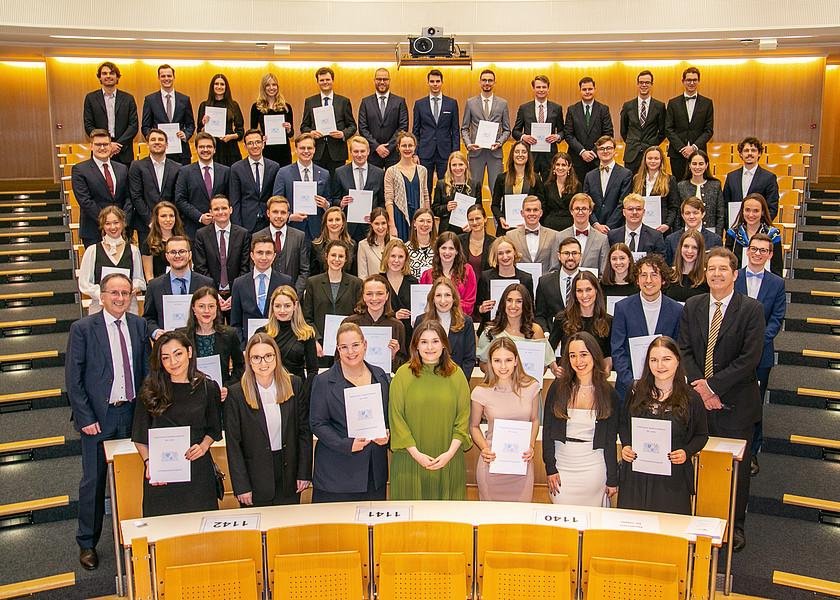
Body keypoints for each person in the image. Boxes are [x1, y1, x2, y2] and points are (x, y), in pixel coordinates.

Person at [679, 247, 765, 551]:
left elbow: (749, 358)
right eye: (711, 269)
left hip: (735, 405)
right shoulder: (693, 305)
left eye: (723, 269)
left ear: (735, 274)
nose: (716, 274)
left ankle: (734, 525)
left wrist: (713, 387)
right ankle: (697, 521)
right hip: (697, 404)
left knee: (734, 470)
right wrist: (701, 391)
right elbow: (685, 350)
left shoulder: (751, 309)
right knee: (698, 463)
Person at [67, 273, 150, 570]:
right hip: (98, 419)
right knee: (94, 480)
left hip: (131, 413)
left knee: (136, 474)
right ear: (101, 296)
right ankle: (87, 542)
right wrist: (85, 417)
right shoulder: (83, 329)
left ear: (131, 297)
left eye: (125, 293)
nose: (119, 298)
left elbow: (145, 373)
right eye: (113, 293)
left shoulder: (139, 325)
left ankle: (138, 533)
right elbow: (73, 380)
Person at [132, 331, 222, 516]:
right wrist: (150, 463)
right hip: (162, 473)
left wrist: (204, 446)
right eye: (166, 358)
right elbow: (140, 435)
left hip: (197, 471)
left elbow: (214, 429)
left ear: (189, 352)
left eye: (178, 354)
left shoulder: (208, 387)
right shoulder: (150, 388)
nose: (173, 362)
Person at [618, 336, 708, 514]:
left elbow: (701, 435)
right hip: (636, 476)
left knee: (669, 535)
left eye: (666, 359)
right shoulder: (635, 391)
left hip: (672, 479)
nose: (660, 366)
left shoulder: (691, 397)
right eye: (654, 360)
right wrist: (626, 445)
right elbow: (623, 424)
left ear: (677, 361)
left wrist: (686, 452)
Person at [224, 333, 312, 506]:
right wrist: (241, 486)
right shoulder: (236, 393)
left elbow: (304, 432)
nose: (263, 363)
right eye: (256, 358)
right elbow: (233, 444)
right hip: (254, 479)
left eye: (268, 356)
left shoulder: (294, 384)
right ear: (248, 360)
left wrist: (304, 472)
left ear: (276, 357)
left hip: (289, 475)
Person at [389, 320, 472, 500]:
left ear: (443, 344)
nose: (430, 347)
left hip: (448, 460)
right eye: (424, 341)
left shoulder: (457, 375)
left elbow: (463, 419)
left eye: (435, 341)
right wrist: (417, 455)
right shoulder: (402, 375)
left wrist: (449, 454)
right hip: (409, 461)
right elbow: (396, 419)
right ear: (416, 346)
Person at [310, 323, 391, 501]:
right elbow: (317, 423)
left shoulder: (380, 376)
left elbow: (387, 417)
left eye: (355, 345)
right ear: (337, 349)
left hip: (372, 475)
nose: (350, 352)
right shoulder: (323, 381)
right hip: (336, 476)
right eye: (344, 347)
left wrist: (386, 433)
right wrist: (345, 444)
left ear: (365, 345)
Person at [543, 331, 618, 506]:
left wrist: (612, 478)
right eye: (572, 356)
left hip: (594, 469)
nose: (579, 361)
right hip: (562, 468)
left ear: (594, 355)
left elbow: (609, 440)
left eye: (583, 354)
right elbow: (547, 432)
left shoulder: (608, 393)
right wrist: (550, 468)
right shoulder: (557, 388)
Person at [734, 233, 786, 476]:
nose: (757, 253)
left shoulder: (777, 283)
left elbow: (776, 319)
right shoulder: (735, 277)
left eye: (763, 250)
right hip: (732, 353)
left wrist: (756, 342)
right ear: (747, 250)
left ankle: (752, 452)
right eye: (754, 249)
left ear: (770, 254)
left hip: (761, 355)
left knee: (754, 404)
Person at [470, 337, 540, 502]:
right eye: (497, 360)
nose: (503, 366)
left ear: (516, 360)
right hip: (492, 463)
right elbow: (473, 426)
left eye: (508, 360)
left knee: (520, 521)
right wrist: (484, 448)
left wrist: (530, 445)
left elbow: (535, 420)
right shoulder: (480, 392)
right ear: (490, 363)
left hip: (522, 464)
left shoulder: (531, 387)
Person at [611, 254, 683, 401]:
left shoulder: (677, 310)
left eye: (654, 275)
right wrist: (631, 382)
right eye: (643, 275)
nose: (648, 280)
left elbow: (679, 349)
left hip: (666, 388)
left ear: (663, 280)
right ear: (637, 280)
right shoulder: (622, 308)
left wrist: (664, 382)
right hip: (629, 388)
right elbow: (618, 349)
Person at [177, 287, 244, 402]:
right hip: (190, 396)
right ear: (193, 309)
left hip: (220, 396)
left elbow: (240, 366)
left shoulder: (229, 334)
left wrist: (228, 387)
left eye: (211, 306)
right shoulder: (182, 336)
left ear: (217, 308)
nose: (206, 311)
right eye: (201, 306)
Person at [302, 240, 363, 360]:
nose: (337, 259)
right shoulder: (313, 283)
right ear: (326, 256)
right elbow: (307, 318)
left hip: (348, 348)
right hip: (320, 347)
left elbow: (359, 315)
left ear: (346, 259)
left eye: (341, 256)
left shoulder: (356, 283)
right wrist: (315, 340)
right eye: (333, 255)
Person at [143, 237, 214, 341]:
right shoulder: (154, 286)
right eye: (173, 252)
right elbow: (148, 318)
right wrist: (156, 332)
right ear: (167, 256)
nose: (177, 255)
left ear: (190, 255)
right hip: (168, 345)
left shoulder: (206, 283)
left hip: (200, 343)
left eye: (182, 251)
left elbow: (215, 316)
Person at [78, 206, 145, 315]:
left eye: (116, 222)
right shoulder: (92, 251)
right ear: (102, 226)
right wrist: (105, 294)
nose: (112, 227)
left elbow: (139, 279)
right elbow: (84, 283)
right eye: (108, 223)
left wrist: (133, 287)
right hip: (100, 308)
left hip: (128, 308)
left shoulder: (133, 250)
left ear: (123, 223)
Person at [477, 283, 554, 376]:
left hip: (527, 386)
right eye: (509, 300)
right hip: (497, 386)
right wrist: (501, 374)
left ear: (525, 304)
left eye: (519, 301)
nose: (513, 305)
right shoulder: (490, 331)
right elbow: (482, 364)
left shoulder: (535, 330)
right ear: (503, 303)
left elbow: (544, 364)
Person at [193, 194, 252, 315]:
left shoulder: (243, 234)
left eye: (224, 208)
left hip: (236, 295)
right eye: (216, 209)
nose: (221, 212)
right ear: (210, 212)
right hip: (210, 295)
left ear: (231, 209)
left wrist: (236, 294)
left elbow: (245, 266)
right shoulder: (201, 235)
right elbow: (200, 267)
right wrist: (213, 294)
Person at [230, 235, 293, 346]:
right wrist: (243, 348)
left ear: (274, 256)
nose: (264, 257)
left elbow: (291, 318)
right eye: (259, 252)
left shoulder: (285, 281)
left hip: (279, 344)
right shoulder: (239, 283)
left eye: (268, 253)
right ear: (252, 255)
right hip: (249, 345)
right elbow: (236, 323)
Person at [71, 129, 130, 248]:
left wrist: (121, 221)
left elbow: (129, 197)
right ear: (91, 146)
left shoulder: (122, 168)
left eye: (106, 144)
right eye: (98, 144)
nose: (102, 148)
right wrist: (107, 222)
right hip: (94, 229)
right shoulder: (80, 170)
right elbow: (85, 201)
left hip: (120, 230)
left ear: (111, 145)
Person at [127, 128, 182, 253]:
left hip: (170, 225)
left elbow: (177, 196)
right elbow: (136, 196)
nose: (157, 142)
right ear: (147, 144)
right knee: (148, 264)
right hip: (146, 224)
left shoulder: (177, 168)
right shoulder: (137, 166)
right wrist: (151, 220)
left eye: (161, 140)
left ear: (167, 144)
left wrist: (167, 219)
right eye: (153, 139)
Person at [271, 133, 332, 242]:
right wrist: (289, 217)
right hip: (293, 227)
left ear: (314, 150)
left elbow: (330, 201)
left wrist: (326, 205)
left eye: (309, 148)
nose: (306, 151)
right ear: (296, 149)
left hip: (317, 230)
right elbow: (276, 202)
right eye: (302, 148)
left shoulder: (324, 174)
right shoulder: (283, 173)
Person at [257, 286, 318, 392]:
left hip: (298, 391)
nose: (282, 310)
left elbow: (312, 370)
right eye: (277, 306)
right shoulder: (262, 333)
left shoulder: (307, 333)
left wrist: (305, 394)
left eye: (287, 306)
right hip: (269, 390)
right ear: (272, 307)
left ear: (295, 306)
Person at [550, 271, 613, 371]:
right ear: (574, 294)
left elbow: (608, 355)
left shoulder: (609, 321)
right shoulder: (562, 318)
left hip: (595, 379)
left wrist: (606, 369)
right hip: (567, 379)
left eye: (588, 290)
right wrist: (553, 367)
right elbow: (549, 348)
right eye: (579, 291)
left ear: (596, 290)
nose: (584, 295)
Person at [416, 277, 477, 379]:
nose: (443, 300)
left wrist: (461, 382)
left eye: (447, 295)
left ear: (454, 298)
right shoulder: (421, 321)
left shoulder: (466, 322)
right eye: (438, 295)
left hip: (456, 380)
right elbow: (416, 354)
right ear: (433, 298)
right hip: (426, 379)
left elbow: (469, 358)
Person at [299, 66, 357, 174]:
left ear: (332, 80)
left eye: (327, 79)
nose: (325, 82)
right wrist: (310, 133)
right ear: (317, 82)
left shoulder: (343, 101)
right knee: (319, 184)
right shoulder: (310, 101)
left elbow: (352, 126)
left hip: (337, 152)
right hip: (316, 151)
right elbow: (304, 126)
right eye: (322, 80)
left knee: (335, 185)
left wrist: (343, 134)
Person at [343, 274, 407, 370]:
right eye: (369, 294)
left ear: (387, 296)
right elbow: (338, 359)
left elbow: (403, 366)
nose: (374, 298)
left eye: (379, 293)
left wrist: (393, 355)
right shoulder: (350, 323)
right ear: (363, 296)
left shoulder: (397, 326)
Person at [461, 69, 511, 190]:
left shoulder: (503, 103)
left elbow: (507, 130)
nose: (487, 83)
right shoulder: (470, 102)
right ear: (480, 82)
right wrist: (468, 144)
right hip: (476, 153)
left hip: (495, 153)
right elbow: (464, 128)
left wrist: (499, 143)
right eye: (484, 80)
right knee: (473, 189)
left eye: (490, 80)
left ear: (494, 83)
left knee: (497, 189)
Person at [174, 132, 231, 238]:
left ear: (214, 149)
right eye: (201, 147)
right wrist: (199, 216)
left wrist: (219, 214)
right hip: (193, 228)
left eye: (209, 146)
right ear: (196, 149)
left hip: (220, 226)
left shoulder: (226, 171)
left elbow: (230, 197)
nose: (205, 150)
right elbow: (180, 199)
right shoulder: (185, 171)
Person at [412, 69, 461, 191]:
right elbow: (415, 131)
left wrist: (455, 154)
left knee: (446, 186)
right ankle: (426, 210)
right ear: (428, 83)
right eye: (432, 81)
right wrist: (415, 153)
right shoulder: (419, 104)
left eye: (437, 81)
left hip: (445, 152)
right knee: (424, 187)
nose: (435, 84)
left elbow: (455, 130)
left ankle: (444, 210)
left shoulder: (451, 103)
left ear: (442, 82)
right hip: (425, 152)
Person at [332, 136, 386, 242]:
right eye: (356, 151)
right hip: (348, 228)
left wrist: (376, 218)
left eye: (362, 151)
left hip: (371, 228)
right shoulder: (340, 172)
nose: (359, 155)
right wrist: (341, 203)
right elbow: (334, 199)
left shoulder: (379, 173)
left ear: (368, 151)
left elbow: (382, 201)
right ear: (351, 152)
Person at [82, 61, 138, 166]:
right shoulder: (90, 98)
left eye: (112, 73)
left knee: (124, 182)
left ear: (117, 77)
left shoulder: (128, 98)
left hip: (123, 151)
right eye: (104, 73)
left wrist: (117, 145)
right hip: (100, 150)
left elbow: (133, 126)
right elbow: (89, 125)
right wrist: (107, 144)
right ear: (100, 77)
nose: (108, 76)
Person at [512, 74, 565, 180]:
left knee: (549, 185)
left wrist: (557, 136)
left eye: (544, 87)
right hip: (530, 155)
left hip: (550, 155)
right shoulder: (524, 108)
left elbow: (563, 131)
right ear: (533, 88)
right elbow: (515, 131)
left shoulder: (557, 108)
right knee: (530, 184)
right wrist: (524, 137)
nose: (541, 90)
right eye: (538, 87)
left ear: (548, 88)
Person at [666, 67, 714, 181]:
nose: (691, 83)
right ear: (683, 81)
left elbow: (708, 130)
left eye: (694, 80)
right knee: (678, 185)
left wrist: (693, 147)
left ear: (698, 81)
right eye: (688, 80)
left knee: (698, 183)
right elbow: (668, 128)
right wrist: (682, 148)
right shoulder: (673, 103)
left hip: (699, 153)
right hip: (677, 154)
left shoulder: (707, 103)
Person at [255, 195, 310, 295]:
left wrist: (294, 294)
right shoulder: (257, 237)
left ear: (288, 214)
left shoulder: (299, 236)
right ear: (268, 213)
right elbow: (253, 268)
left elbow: (304, 270)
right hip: (265, 297)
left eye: (283, 212)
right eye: (275, 212)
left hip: (292, 298)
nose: (279, 216)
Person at [141, 64, 195, 165]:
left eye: (169, 76)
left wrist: (186, 134)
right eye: (163, 76)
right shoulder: (150, 100)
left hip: (181, 153)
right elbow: (145, 127)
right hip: (159, 153)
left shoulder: (184, 99)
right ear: (158, 78)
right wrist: (154, 138)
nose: (166, 78)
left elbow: (191, 125)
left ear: (174, 77)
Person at [229, 129, 281, 234]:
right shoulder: (236, 168)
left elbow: (276, 196)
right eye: (250, 143)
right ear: (245, 146)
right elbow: (234, 200)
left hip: (269, 221)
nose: (255, 146)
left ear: (263, 144)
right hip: (246, 223)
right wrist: (238, 227)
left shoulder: (274, 167)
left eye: (258, 142)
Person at [476, 236, 535, 328]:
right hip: (491, 327)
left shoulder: (526, 279)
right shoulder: (485, 277)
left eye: (508, 252)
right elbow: (477, 306)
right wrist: (481, 309)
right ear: (495, 256)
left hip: (518, 328)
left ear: (514, 252)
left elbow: (530, 309)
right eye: (500, 253)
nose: (505, 257)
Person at [564, 76, 614, 183]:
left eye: (590, 89)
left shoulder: (603, 109)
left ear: (594, 90)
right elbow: (568, 134)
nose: (587, 92)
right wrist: (582, 151)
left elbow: (608, 134)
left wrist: (593, 151)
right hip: (577, 158)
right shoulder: (572, 110)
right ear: (580, 91)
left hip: (597, 158)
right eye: (584, 89)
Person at [357, 67, 409, 170]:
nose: (382, 82)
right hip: (372, 153)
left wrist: (389, 147)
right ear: (374, 80)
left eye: (385, 79)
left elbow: (403, 127)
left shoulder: (399, 102)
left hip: (393, 153)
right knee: (374, 185)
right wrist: (376, 146)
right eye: (379, 79)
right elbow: (363, 128)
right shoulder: (365, 102)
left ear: (389, 81)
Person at [491, 141, 546, 234]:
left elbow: (543, 204)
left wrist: (532, 219)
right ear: (512, 155)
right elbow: (495, 205)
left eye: (524, 152)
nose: (520, 155)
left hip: (529, 228)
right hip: (506, 228)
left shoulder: (535, 178)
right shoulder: (502, 178)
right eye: (517, 152)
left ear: (528, 156)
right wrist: (501, 218)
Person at [385, 131, 430, 241]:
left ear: (415, 147)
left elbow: (425, 196)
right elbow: (389, 199)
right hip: (399, 217)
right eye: (404, 145)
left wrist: (428, 219)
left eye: (410, 145)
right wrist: (391, 225)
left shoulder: (422, 170)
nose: (407, 148)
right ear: (398, 147)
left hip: (418, 216)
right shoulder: (391, 171)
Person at [619, 70, 666, 176]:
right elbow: (623, 130)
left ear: (651, 85)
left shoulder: (659, 106)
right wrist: (633, 143)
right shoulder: (628, 106)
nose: (644, 85)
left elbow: (663, 132)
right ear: (637, 84)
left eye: (647, 82)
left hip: (651, 154)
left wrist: (651, 145)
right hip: (632, 154)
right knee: (630, 186)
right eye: (641, 82)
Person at [419, 232, 477, 315]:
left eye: (451, 248)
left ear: (457, 251)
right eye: (443, 248)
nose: (447, 252)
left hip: (460, 321)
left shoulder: (467, 271)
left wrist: (443, 305)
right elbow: (424, 304)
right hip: (434, 322)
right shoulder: (427, 275)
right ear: (438, 250)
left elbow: (469, 305)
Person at [724, 193, 783, 275]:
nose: (751, 215)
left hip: (766, 282)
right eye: (747, 210)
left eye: (756, 211)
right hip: (737, 282)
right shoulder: (733, 234)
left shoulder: (773, 235)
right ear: (742, 211)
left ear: (762, 212)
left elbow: (777, 267)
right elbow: (727, 264)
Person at [723, 137, 780, 220]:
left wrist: (759, 226)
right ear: (741, 154)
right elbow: (725, 205)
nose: (749, 153)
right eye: (746, 150)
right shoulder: (731, 177)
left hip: (758, 229)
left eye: (753, 150)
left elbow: (772, 208)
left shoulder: (769, 178)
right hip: (734, 228)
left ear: (759, 153)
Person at [583, 135, 633, 232]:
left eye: (609, 148)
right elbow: (587, 203)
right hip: (594, 228)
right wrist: (596, 224)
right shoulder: (589, 176)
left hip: (616, 228)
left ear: (614, 151)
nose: (605, 151)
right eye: (601, 148)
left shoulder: (626, 174)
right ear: (597, 152)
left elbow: (623, 203)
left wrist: (609, 226)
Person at [535, 237, 582, 332]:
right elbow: (540, 315)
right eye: (566, 253)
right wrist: (545, 333)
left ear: (581, 256)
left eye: (574, 253)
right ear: (559, 256)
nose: (570, 257)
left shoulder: (588, 282)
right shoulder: (545, 282)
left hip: (581, 338)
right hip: (552, 337)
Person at [197, 73, 244, 167]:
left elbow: (241, 132)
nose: (219, 86)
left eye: (222, 84)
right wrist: (204, 125)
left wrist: (230, 137)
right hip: (211, 149)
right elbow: (199, 132)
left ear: (226, 87)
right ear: (212, 86)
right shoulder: (204, 105)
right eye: (216, 84)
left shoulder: (233, 105)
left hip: (230, 148)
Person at [506, 195, 561, 274]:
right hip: (521, 283)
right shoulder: (510, 236)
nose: (532, 213)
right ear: (522, 213)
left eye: (535, 210)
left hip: (545, 282)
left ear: (541, 213)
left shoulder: (554, 235)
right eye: (528, 210)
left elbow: (555, 265)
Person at [249, 73, 294, 168]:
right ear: (263, 88)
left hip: (283, 150)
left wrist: (289, 129)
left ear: (278, 87)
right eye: (268, 85)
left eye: (274, 85)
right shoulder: (256, 107)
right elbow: (252, 131)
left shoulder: (286, 107)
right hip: (266, 150)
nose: (271, 88)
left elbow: (291, 134)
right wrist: (261, 138)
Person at [432, 151, 483, 235]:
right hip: (447, 230)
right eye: (454, 165)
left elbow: (479, 209)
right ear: (450, 167)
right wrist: (446, 208)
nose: (457, 168)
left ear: (466, 165)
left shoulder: (475, 185)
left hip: (468, 229)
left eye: (460, 164)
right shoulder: (441, 184)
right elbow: (435, 209)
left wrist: (472, 225)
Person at [632, 146, 680, 233]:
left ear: (661, 160)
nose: (653, 161)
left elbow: (674, 207)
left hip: (661, 228)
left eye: (656, 158)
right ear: (645, 160)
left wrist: (667, 224)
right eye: (650, 158)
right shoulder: (636, 179)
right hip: (640, 227)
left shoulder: (669, 179)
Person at [676, 150, 725, 235]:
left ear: (706, 165)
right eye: (694, 164)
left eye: (701, 164)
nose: (697, 167)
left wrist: (718, 236)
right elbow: (678, 215)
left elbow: (720, 214)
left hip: (711, 232)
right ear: (689, 166)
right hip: (687, 233)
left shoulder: (715, 185)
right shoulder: (681, 186)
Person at [558, 192, 609, 273]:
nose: (580, 212)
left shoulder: (602, 239)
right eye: (577, 208)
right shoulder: (560, 236)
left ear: (590, 211)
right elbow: (554, 269)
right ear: (571, 211)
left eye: (584, 208)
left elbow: (604, 272)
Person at [664, 196, 723, 264]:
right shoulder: (671, 240)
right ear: (682, 215)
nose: (691, 217)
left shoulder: (715, 240)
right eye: (687, 213)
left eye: (695, 213)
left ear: (703, 214)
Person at [380, 239, 418, 341]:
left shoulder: (413, 282)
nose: (396, 260)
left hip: (410, 337)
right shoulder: (379, 282)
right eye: (393, 256)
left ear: (405, 259)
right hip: (386, 336)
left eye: (400, 257)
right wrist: (394, 315)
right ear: (386, 257)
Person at [143, 201, 185, 281]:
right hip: (159, 287)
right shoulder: (149, 244)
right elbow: (149, 275)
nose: (168, 219)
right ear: (156, 218)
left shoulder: (184, 241)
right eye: (163, 216)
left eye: (171, 216)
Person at [310, 206, 356, 276]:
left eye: (337, 219)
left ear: (343, 222)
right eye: (330, 220)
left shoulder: (352, 245)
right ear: (325, 223)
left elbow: (354, 273)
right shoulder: (316, 245)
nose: (334, 223)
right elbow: (313, 274)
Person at [665, 230, 709, 303]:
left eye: (694, 247)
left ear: (700, 251)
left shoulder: (706, 277)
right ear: (680, 248)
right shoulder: (668, 275)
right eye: (686, 246)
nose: (689, 251)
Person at [541, 152, 580, 232]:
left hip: (570, 226)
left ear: (569, 167)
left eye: (563, 165)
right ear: (553, 167)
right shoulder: (547, 186)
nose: (560, 167)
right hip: (550, 226)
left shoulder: (577, 186)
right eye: (557, 164)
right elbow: (544, 209)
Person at [459, 203, 495, 276]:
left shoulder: (494, 243)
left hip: (485, 286)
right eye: (471, 220)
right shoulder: (459, 240)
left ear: (485, 219)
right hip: (463, 286)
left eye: (478, 218)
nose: (474, 222)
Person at [357, 207, 391, 278]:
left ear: (388, 223)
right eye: (377, 224)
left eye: (383, 223)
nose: (380, 227)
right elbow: (362, 276)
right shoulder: (363, 245)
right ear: (371, 224)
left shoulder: (397, 242)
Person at [406, 207, 436, 279]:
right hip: (413, 288)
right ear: (414, 224)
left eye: (428, 221)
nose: (425, 224)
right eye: (421, 221)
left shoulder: (440, 247)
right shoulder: (405, 248)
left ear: (432, 225)